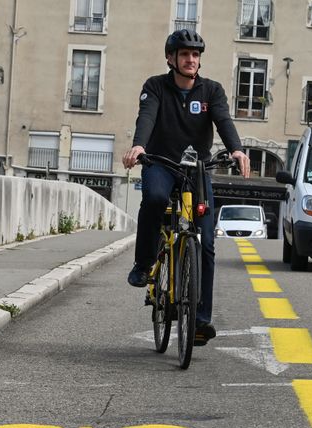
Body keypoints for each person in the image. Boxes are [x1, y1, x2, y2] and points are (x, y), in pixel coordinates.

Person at [122, 29, 250, 346]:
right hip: (161, 164)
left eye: (195, 55)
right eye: (184, 54)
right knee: (154, 198)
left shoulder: (212, 91)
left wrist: (236, 148)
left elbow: (223, 121)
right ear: (171, 59)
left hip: (197, 171)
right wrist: (139, 146)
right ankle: (144, 263)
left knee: (205, 241)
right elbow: (146, 117)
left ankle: (201, 320)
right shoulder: (155, 87)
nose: (191, 59)